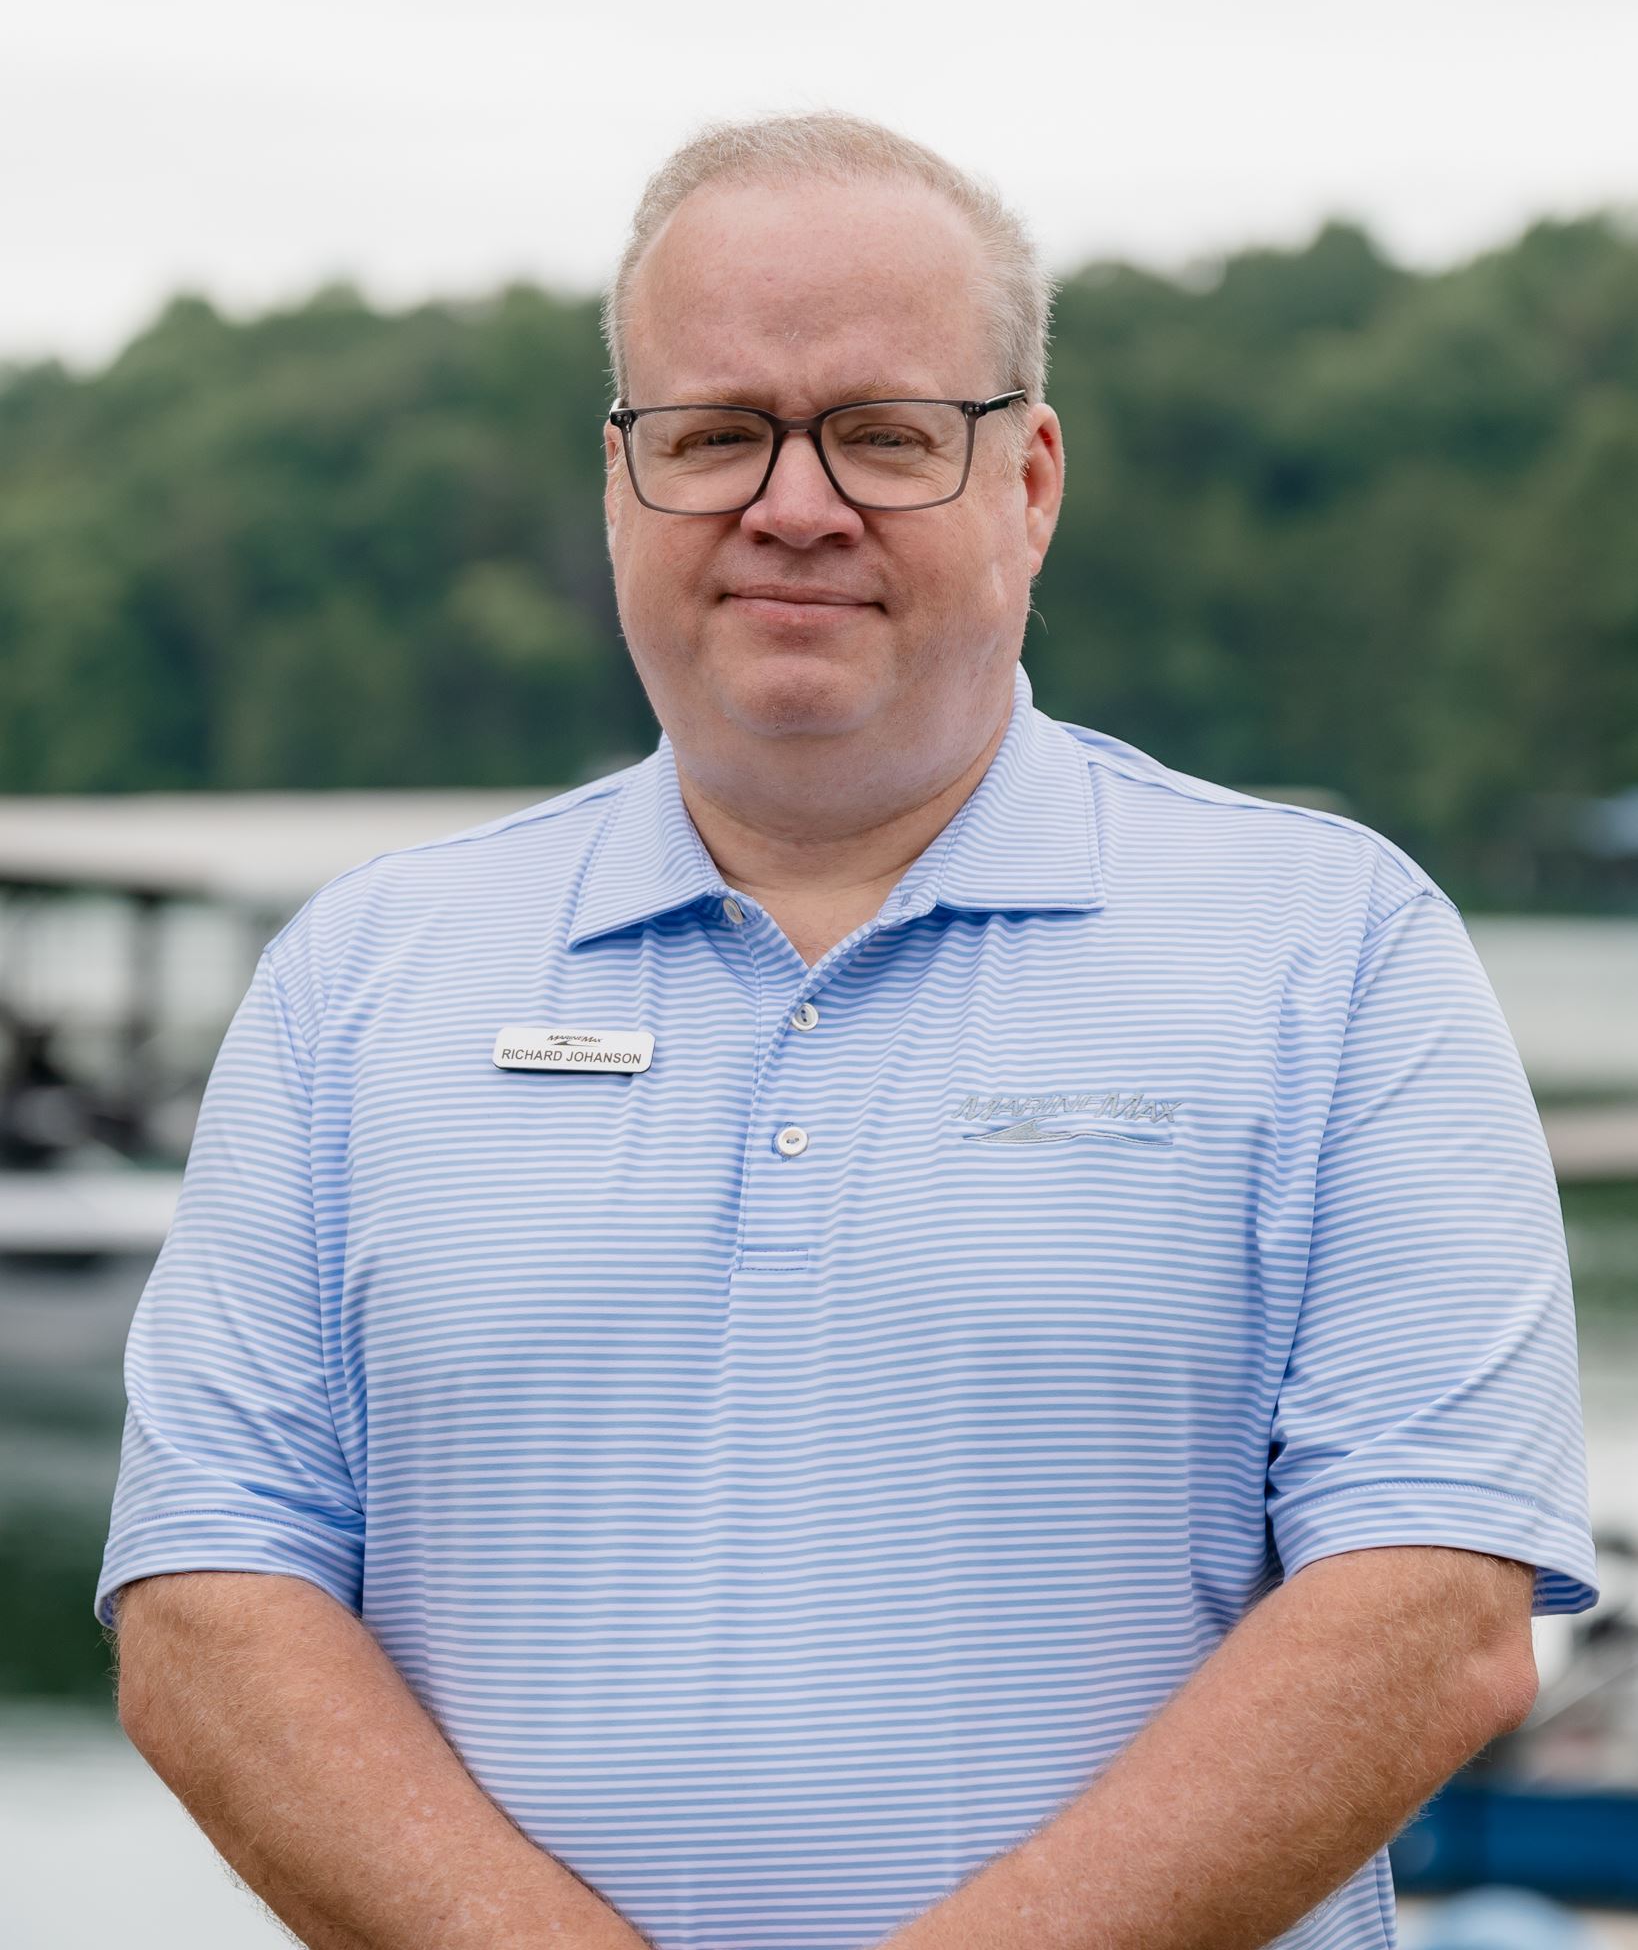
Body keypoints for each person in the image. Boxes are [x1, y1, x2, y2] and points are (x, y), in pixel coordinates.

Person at [97, 111, 1599, 1950]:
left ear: (1030, 479)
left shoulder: (1333, 952)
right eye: (714, 433)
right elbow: (206, 1603)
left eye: (884, 436)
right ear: (617, 482)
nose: (788, 506)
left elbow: (1428, 1609)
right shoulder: (361, 982)